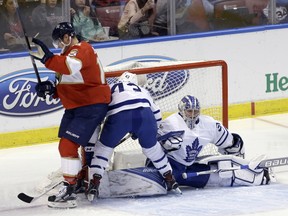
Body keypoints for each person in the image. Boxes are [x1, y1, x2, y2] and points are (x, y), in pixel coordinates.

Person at [29, 22, 111, 208]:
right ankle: (73, 183)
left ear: (68, 36)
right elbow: (69, 81)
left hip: (90, 106)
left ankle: (70, 189)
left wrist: (46, 59)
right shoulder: (65, 55)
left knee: (68, 145)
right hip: (76, 107)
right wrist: (50, 89)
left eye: (59, 41)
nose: (58, 45)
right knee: (65, 148)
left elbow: (71, 67)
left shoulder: (82, 48)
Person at [86, 71, 181, 202]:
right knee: (152, 149)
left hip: (119, 116)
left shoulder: (109, 88)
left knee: (103, 149)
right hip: (145, 116)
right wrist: (151, 132)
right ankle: (170, 178)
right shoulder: (142, 90)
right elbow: (157, 113)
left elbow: (99, 113)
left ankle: (94, 183)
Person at [147, 95, 273, 188]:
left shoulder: (209, 125)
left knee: (224, 176)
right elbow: (151, 146)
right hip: (170, 166)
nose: (192, 115)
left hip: (189, 167)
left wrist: (239, 157)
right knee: (170, 177)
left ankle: (260, 175)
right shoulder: (170, 123)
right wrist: (165, 144)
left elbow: (232, 144)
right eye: (189, 111)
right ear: (181, 110)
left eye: (195, 111)